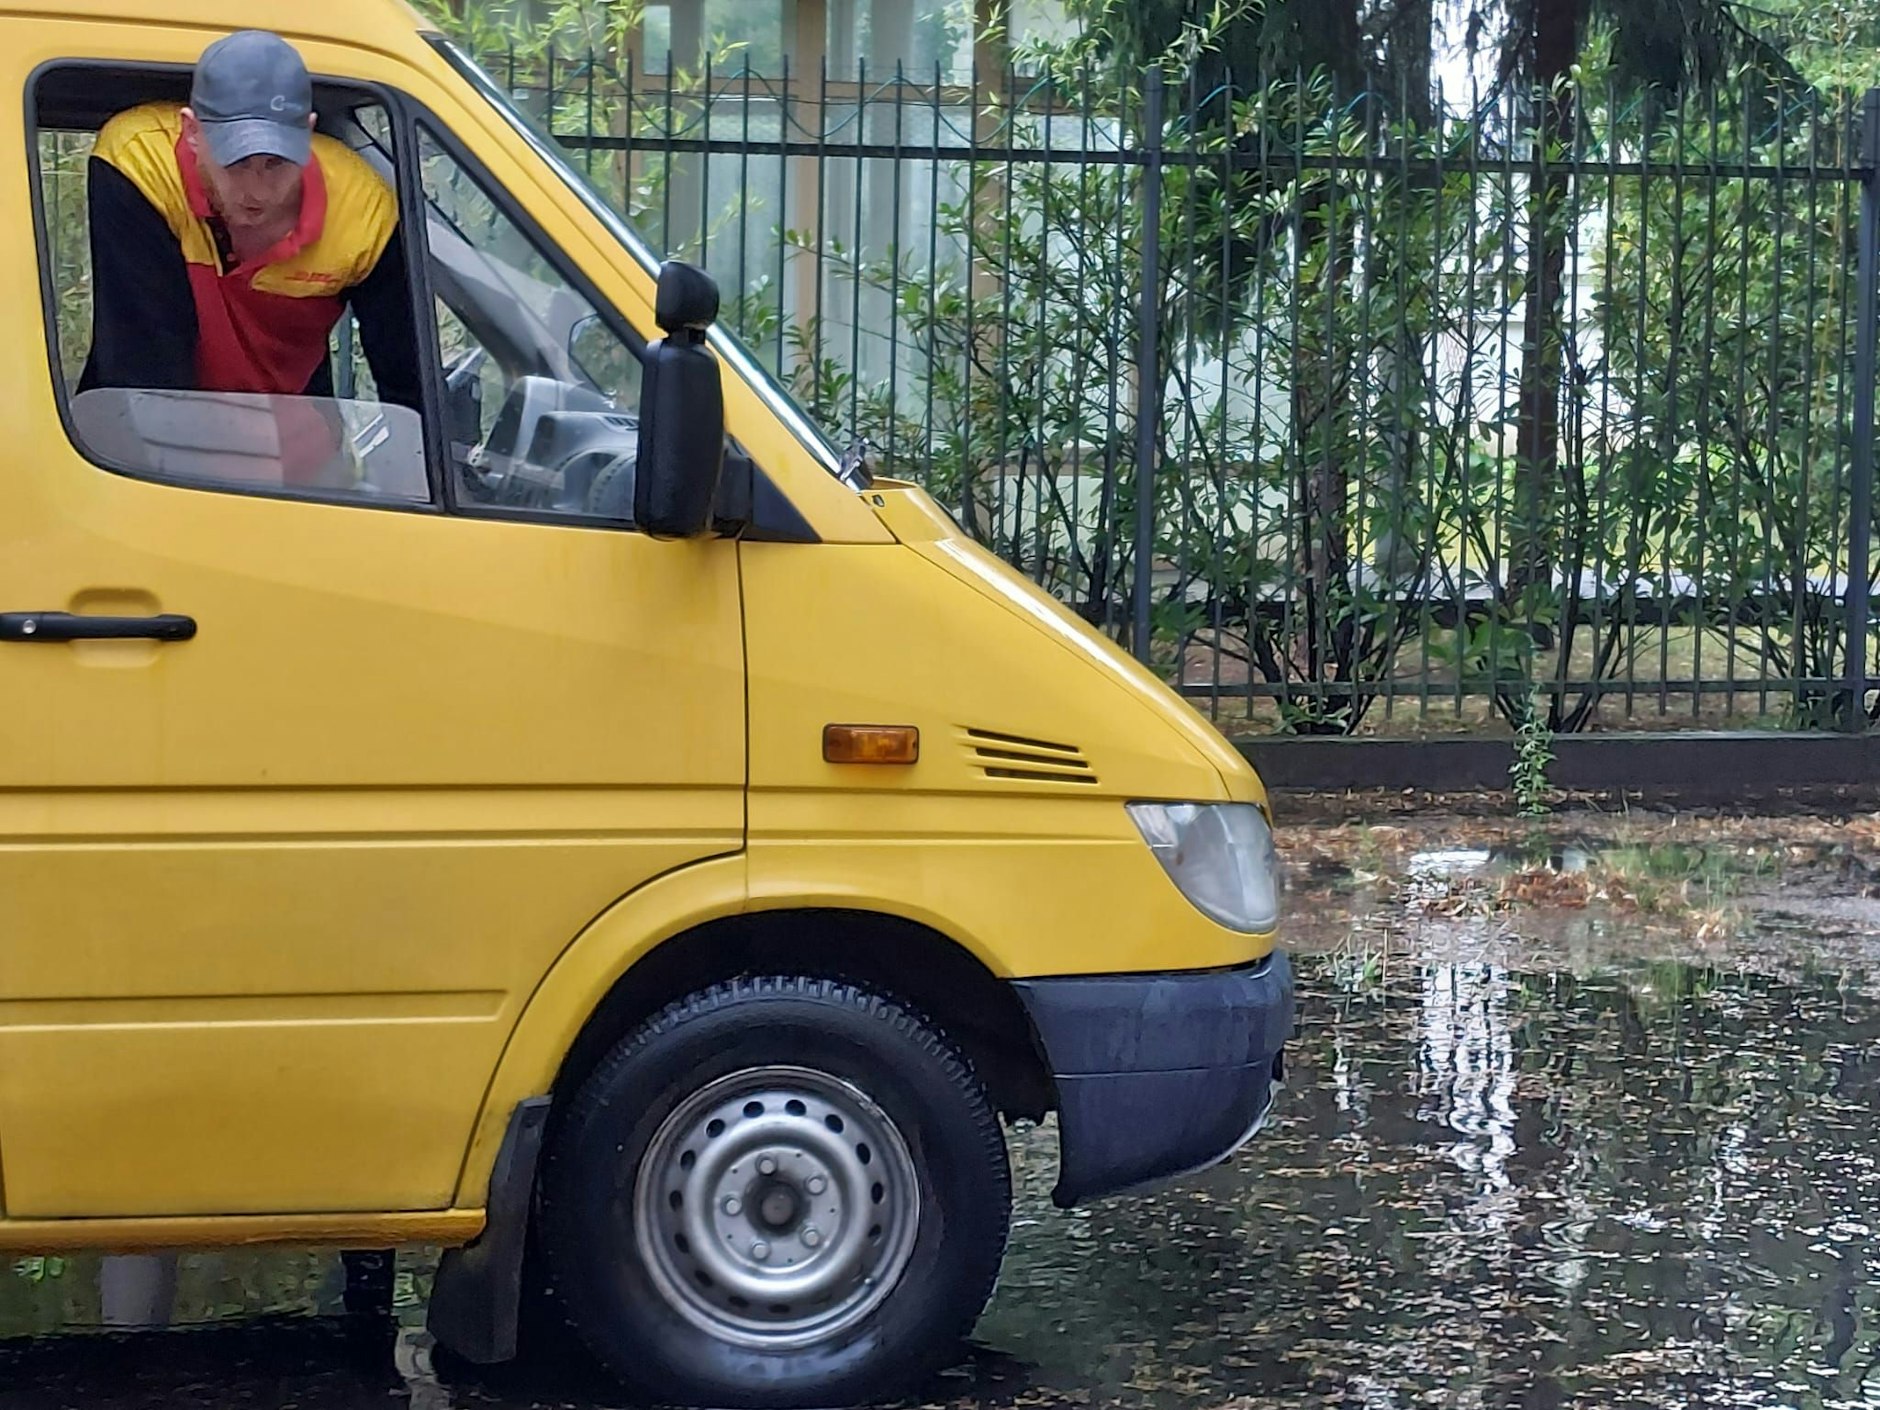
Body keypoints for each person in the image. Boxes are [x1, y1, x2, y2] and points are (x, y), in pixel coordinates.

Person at [78, 29, 422, 464]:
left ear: (309, 134)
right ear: (193, 132)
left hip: (299, 461)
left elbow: (410, 389)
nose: (256, 191)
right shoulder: (139, 162)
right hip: (153, 455)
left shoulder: (365, 211)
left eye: (276, 162)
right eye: (236, 161)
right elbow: (142, 369)